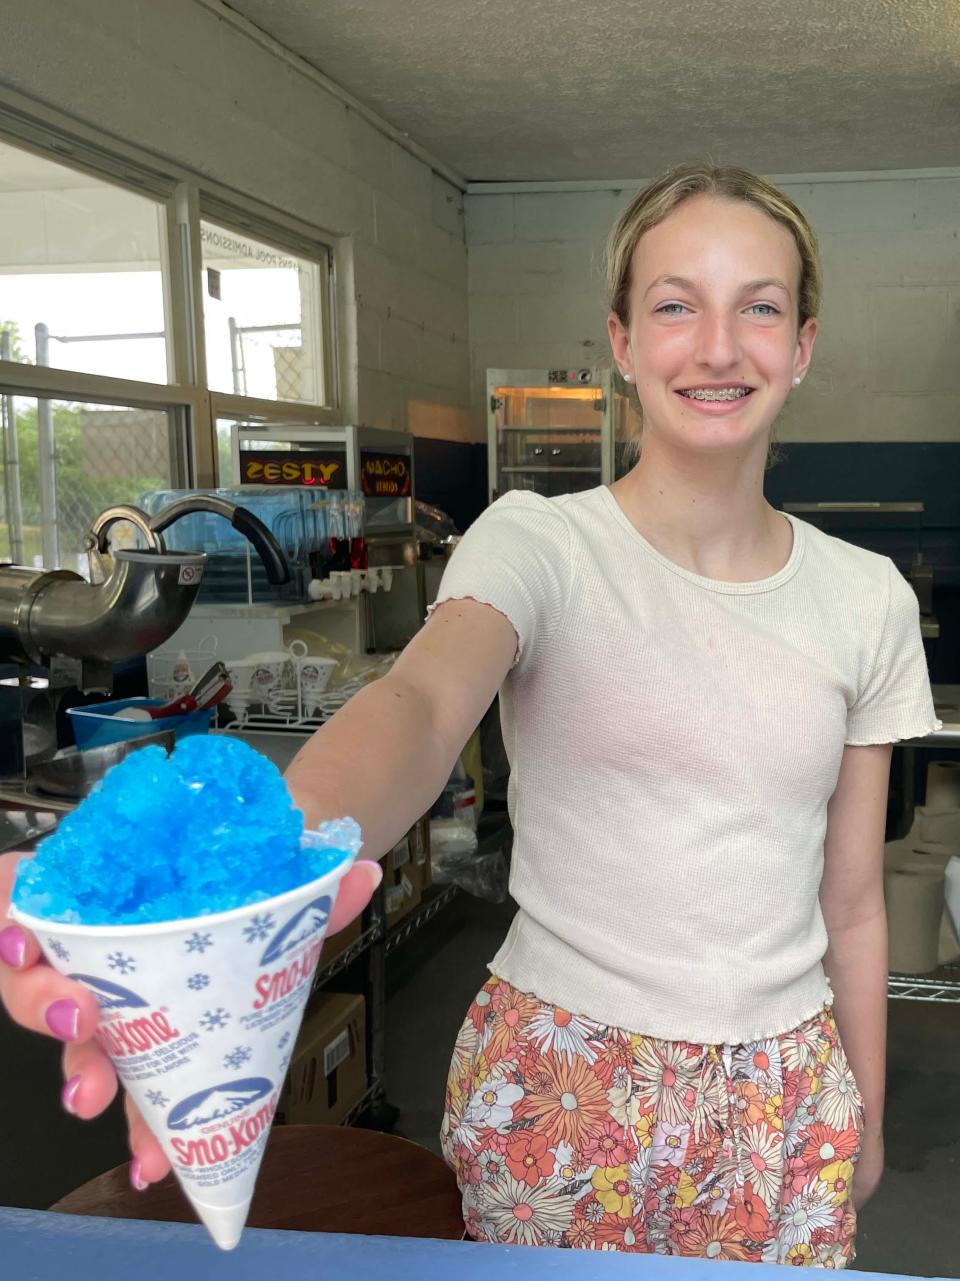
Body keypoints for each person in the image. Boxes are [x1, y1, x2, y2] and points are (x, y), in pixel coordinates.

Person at [0, 163, 938, 1263]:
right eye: (677, 304)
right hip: (562, 1084)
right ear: (625, 343)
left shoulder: (866, 596)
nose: (720, 346)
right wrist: (250, 882)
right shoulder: (540, 541)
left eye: (760, 306)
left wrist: (864, 1112)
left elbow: (854, 899)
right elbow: (420, 699)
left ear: (805, 343)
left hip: (787, 1093)